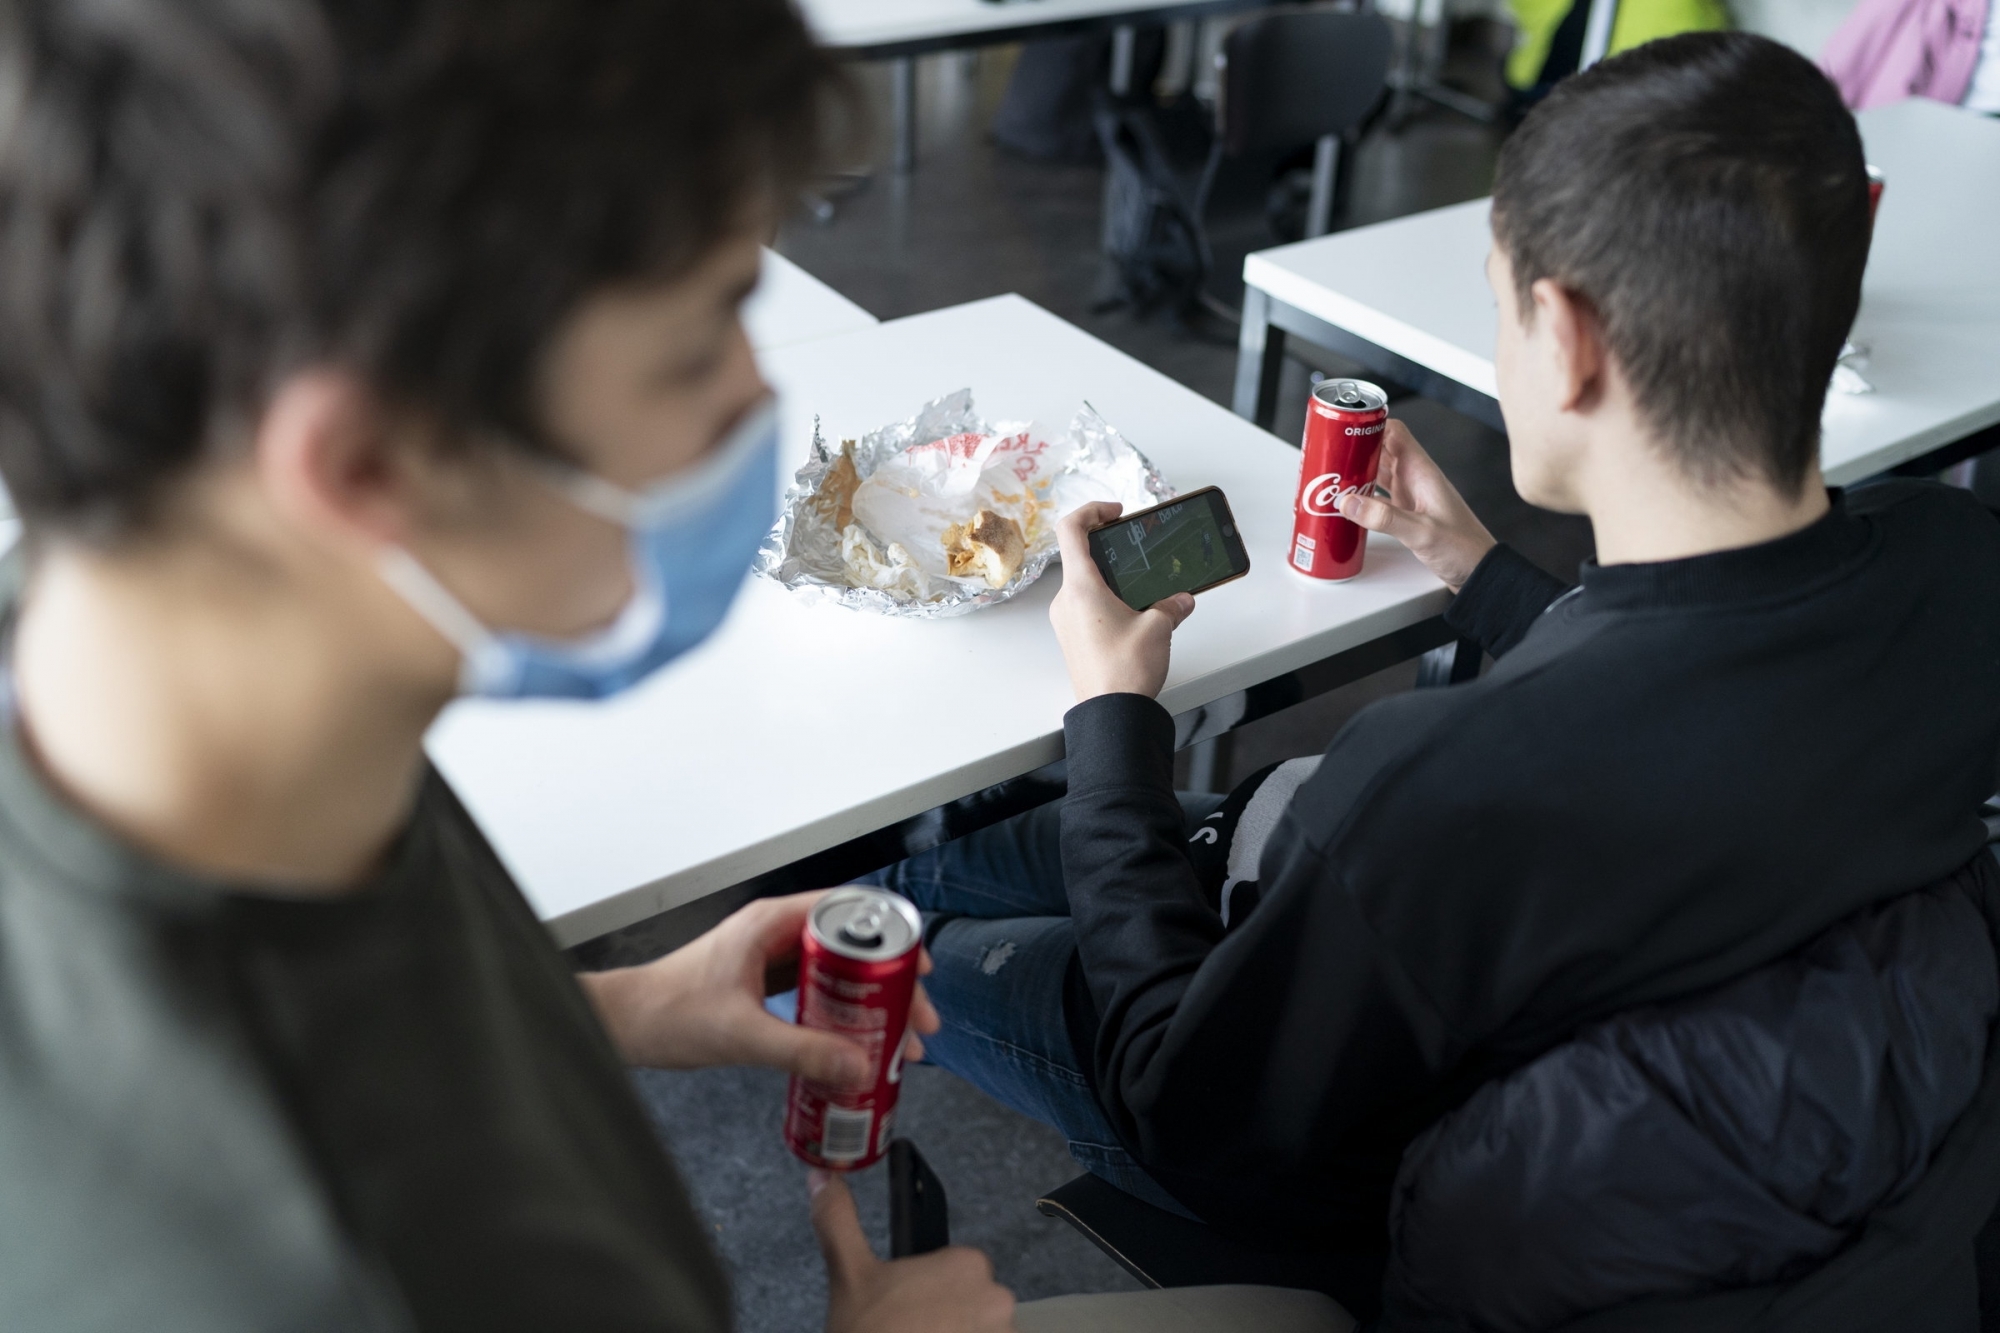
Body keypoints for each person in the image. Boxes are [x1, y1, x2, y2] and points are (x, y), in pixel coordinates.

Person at [869, 32, 2000, 1327]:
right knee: (1009, 858)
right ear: (1856, 241)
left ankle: (850, 930)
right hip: (1641, 1067)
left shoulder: (1440, 792)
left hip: (1320, 1144)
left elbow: (1179, 1098)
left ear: (1566, 338)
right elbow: (1702, 698)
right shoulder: (1960, 572)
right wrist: (1482, 570)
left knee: (893, 931)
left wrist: (1116, 715)